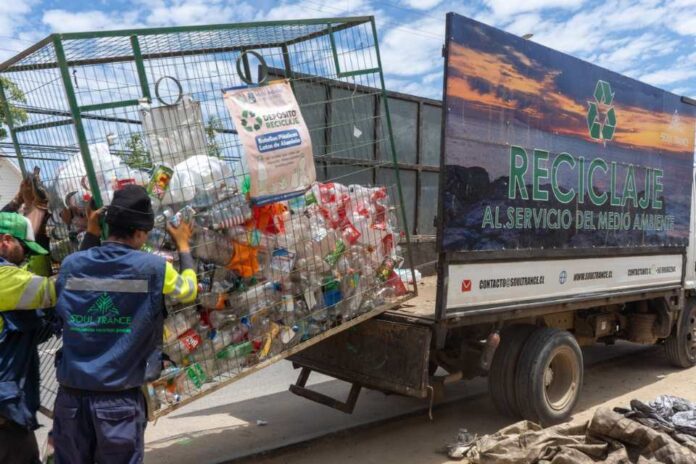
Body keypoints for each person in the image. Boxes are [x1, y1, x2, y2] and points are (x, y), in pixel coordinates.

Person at [52, 184, 197, 464]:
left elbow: (82, 272)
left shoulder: (71, 265)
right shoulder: (155, 269)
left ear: (107, 225)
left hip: (70, 400)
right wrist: (183, 246)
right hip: (117, 402)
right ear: (140, 232)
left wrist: (91, 234)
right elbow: (189, 290)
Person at [0, 208, 56, 464]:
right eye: (25, 250)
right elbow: (55, 290)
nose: (25, 260)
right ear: (6, 240)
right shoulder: (6, 278)